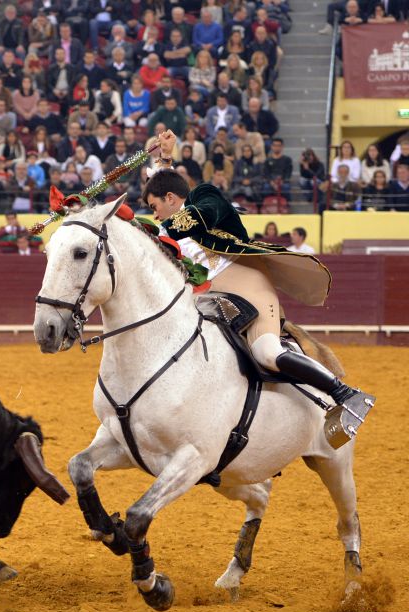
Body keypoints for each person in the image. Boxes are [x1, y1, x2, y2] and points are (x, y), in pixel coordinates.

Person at [144, 129, 374, 442]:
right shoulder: (168, 221)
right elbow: (165, 192)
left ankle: (345, 393)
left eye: (156, 206)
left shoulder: (205, 196)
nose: (155, 214)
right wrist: (163, 160)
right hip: (210, 296)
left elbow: (192, 216)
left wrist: (157, 226)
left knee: (266, 352)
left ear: (171, 200)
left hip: (245, 283)